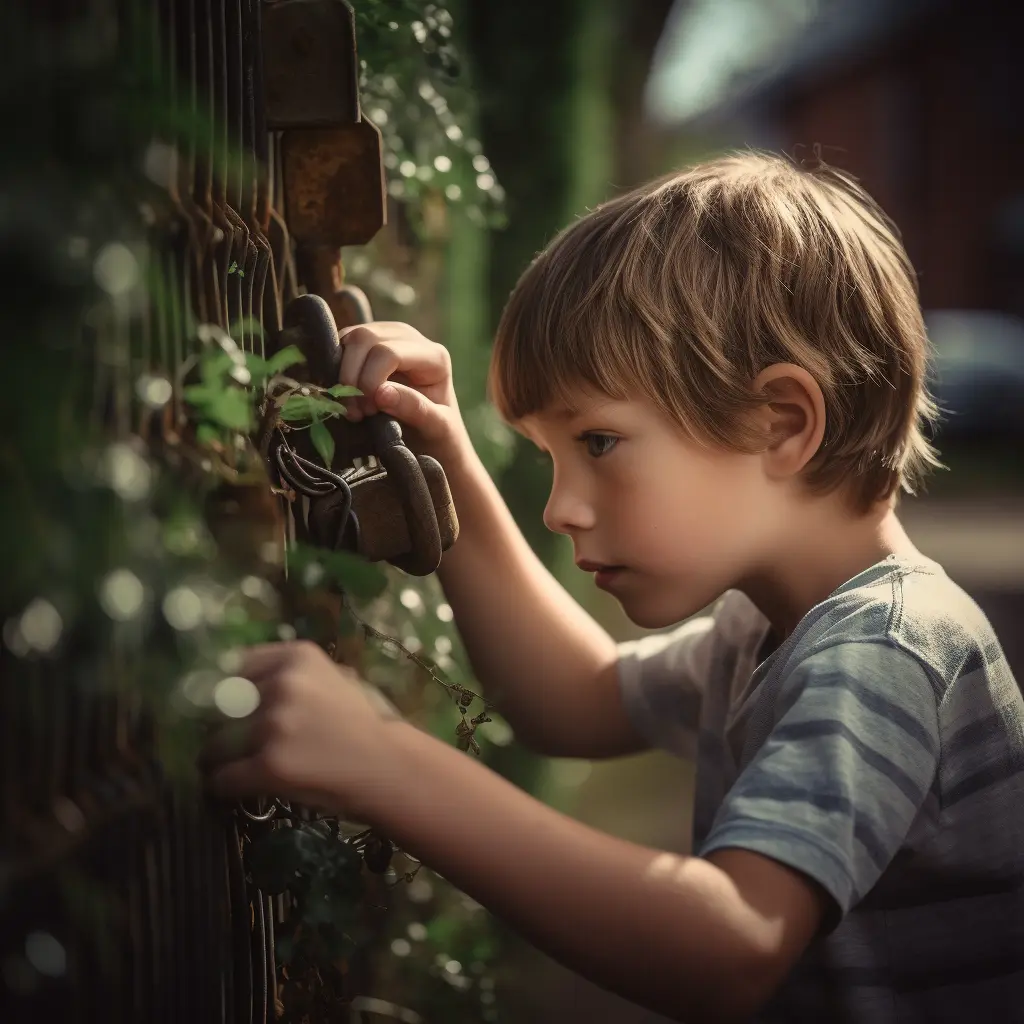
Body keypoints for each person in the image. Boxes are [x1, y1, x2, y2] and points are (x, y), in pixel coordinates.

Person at [201, 152, 1024, 1023]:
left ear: (781, 424)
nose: (560, 510)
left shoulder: (882, 652)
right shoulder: (770, 632)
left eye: (596, 443)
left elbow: (729, 946)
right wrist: (442, 457)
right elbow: (576, 702)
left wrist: (384, 764)